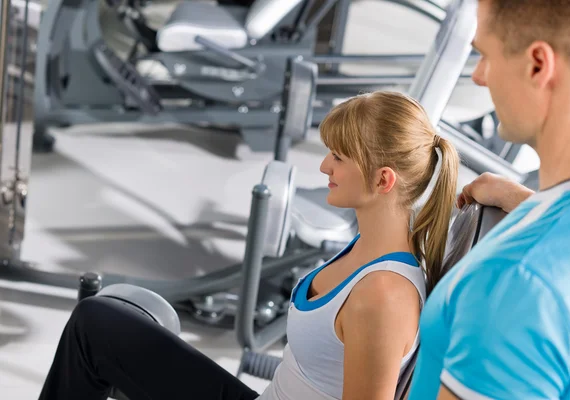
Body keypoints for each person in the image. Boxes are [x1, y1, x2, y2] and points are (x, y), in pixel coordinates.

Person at [38, 90, 460, 400]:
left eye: (339, 158)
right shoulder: (365, 246)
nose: (323, 165)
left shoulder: (383, 297)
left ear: (383, 180)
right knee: (97, 323)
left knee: (96, 330)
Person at [408, 0, 570, 399]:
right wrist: (527, 202)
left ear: (537, 66)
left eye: (485, 55)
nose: (479, 77)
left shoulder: (515, 285)